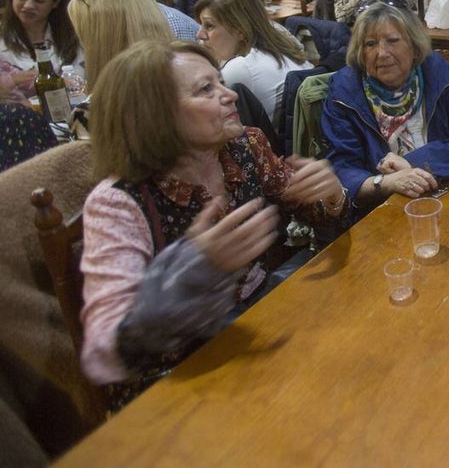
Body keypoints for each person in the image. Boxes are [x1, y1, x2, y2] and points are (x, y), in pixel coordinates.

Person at [79, 40, 345, 407]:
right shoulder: (117, 202)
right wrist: (194, 270)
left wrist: (330, 195)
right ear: (154, 116)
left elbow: (313, 212)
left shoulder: (244, 146)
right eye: (206, 89)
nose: (230, 95)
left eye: (220, 81)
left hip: (259, 329)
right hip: (179, 384)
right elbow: (104, 352)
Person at [322, 2, 449, 212]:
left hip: (446, 189)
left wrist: (414, 163)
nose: (382, 53)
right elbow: (341, 169)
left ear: (413, 46)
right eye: (370, 44)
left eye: (393, 41)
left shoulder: (438, 72)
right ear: (360, 53)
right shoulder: (344, 92)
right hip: (383, 209)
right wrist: (386, 182)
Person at [194, 0, 311, 122]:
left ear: (240, 30)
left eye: (209, 26)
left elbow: (202, 118)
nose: (200, 35)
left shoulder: (242, 67)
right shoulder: (281, 48)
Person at [68, 0, 173, 94]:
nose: (75, 36)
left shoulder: (116, 101)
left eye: (80, 30)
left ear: (102, 37)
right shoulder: (176, 81)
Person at [0, 0, 83, 96]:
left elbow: (80, 82)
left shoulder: (73, 35)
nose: (28, 6)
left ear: (55, 2)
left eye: (39, 1)